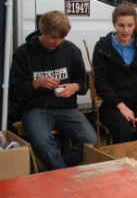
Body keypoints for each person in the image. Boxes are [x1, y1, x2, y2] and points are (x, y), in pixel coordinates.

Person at [9, 10, 97, 171]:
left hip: (66, 108)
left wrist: (75, 87)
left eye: (62, 38)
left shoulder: (70, 50)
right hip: (36, 110)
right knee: (43, 144)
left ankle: (54, 173)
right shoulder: (23, 53)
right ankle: (61, 176)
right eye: (53, 37)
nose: (57, 42)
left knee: (90, 141)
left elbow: (83, 81)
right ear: (42, 31)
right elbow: (14, 94)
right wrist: (36, 83)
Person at [93, 1, 137, 144]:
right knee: (124, 132)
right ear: (114, 24)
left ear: (135, 24)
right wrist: (121, 106)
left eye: (130, 25)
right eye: (121, 25)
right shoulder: (102, 48)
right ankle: (122, 163)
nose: (125, 30)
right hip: (113, 105)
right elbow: (100, 83)